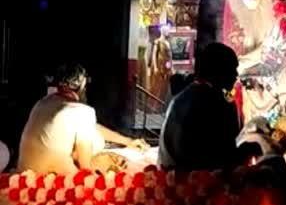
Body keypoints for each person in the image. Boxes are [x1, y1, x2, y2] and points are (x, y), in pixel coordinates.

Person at [17, 64, 147, 174]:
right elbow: (86, 167)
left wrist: (127, 141)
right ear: (81, 88)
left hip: (23, 175)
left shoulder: (42, 103)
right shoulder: (82, 111)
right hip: (50, 182)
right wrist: (108, 162)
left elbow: (92, 127)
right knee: (99, 145)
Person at [158, 43, 241, 171]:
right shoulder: (215, 102)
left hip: (172, 180)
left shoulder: (182, 97)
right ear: (218, 70)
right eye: (232, 69)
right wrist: (247, 151)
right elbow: (222, 160)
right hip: (194, 184)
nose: (236, 75)